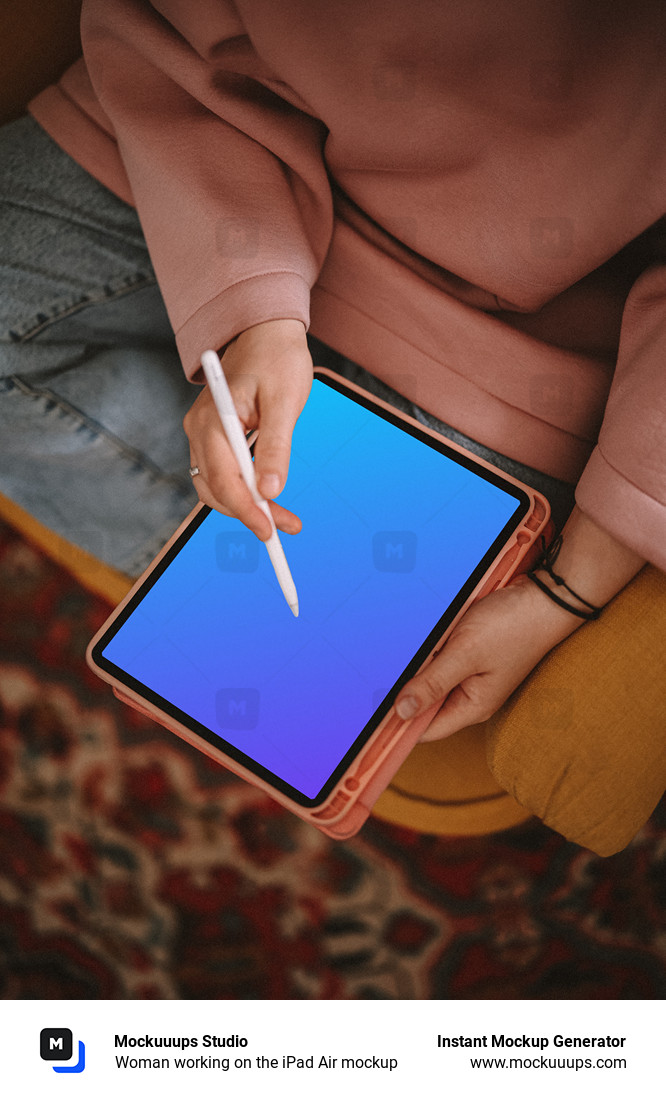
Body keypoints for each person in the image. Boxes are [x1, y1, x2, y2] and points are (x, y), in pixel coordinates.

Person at [1, 0, 663, 756]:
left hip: (527, 344)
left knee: (342, 689)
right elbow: (172, 28)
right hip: (216, 142)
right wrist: (256, 311)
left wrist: (564, 594)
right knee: (331, 672)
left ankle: (237, 595)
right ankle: (238, 586)